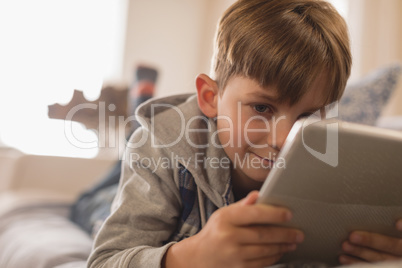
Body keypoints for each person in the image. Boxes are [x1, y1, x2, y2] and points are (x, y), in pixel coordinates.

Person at [88, 0, 402, 267]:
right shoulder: (160, 143)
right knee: (101, 198)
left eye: (306, 116)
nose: (283, 140)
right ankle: (140, 105)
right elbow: (106, 259)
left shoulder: (340, 154)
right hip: (159, 153)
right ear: (211, 98)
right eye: (262, 109)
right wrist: (190, 256)